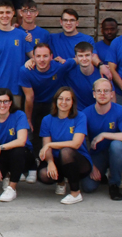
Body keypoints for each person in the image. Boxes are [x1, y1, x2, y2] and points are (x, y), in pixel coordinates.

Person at [19, 43, 77, 181]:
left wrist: (100, 65)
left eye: (45, 56)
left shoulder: (59, 66)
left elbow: (78, 59)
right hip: (33, 103)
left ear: (51, 56)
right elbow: (29, 97)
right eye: (38, 56)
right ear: (33, 57)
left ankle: (52, 164)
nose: (42, 60)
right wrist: (28, 119)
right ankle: (31, 166)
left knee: (48, 134)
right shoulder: (25, 70)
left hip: (53, 105)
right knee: (30, 133)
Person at [80, 78, 122, 200]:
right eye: (99, 91)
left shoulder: (120, 111)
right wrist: (91, 165)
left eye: (106, 91)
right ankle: (103, 172)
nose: (102, 94)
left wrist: (104, 135)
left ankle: (114, 184)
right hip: (99, 153)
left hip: (120, 152)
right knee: (88, 186)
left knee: (116, 146)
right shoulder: (86, 114)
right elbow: (80, 142)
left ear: (112, 94)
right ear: (94, 94)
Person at [38, 87, 92, 205]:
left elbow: (76, 144)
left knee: (66, 152)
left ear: (73, 102)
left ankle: (75, 193)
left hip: (78, 160)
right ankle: (61, 181)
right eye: (61, 99)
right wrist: (50, 162)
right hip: (57, 159)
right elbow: (46, 147)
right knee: (43, 174)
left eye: (68, 99)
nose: (64, 102)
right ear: (55, 101)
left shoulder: (80, 117)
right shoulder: (47, 120)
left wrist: (51, 144)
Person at [0, 88, 31, 202]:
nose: (2, 105)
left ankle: (12, 188)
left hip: (22, 154)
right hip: (3, 155)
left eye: (6, 101)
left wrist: (0, 147)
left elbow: (21, 141)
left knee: (18, 151)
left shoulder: (19, 115)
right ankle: (7, 176)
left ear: (10, 103)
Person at [63, 41, 104, 111]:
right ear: (76, 57)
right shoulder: (68, 73)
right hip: (76, 113)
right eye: (81, 56)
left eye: (87, 55)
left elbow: (111, 98)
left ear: (92, 56)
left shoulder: (102, 74)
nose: (84, 59)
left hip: (96, 111)